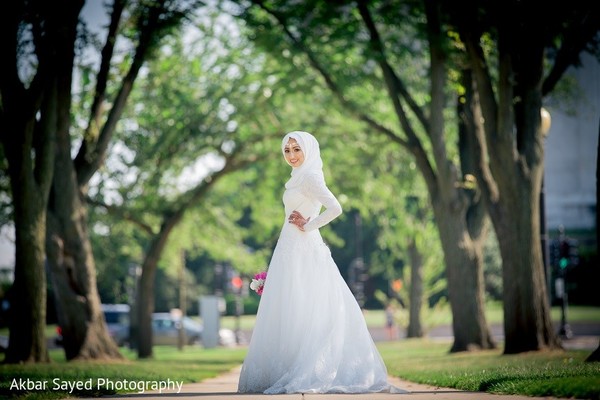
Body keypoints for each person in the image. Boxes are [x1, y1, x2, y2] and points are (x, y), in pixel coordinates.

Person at [237, 131, 405, 394]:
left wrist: (309, 225)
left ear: (309, 150)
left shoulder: (311, 176)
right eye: (287, 151)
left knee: (308, 302)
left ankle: (311, 368)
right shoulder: (296, 178)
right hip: (288, 246)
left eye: (297, 149)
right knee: (291, 305)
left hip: (305, 246)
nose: (292, 155)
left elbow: (335, 207)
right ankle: (287, 366)